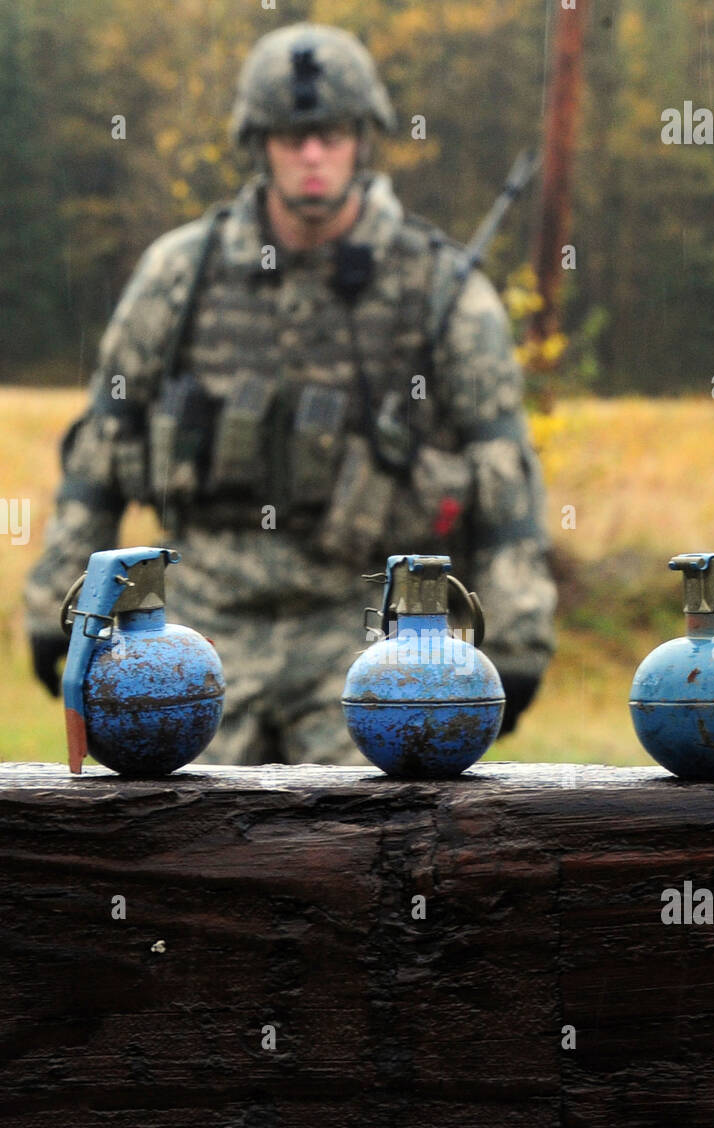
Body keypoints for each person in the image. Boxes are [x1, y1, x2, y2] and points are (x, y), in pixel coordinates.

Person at [25, 22, 558, 766]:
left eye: (331, 134)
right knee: (167, 848)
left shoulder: (440, 291)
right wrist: (61, 600)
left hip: (370, 633)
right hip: (195, 631)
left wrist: (519, 637)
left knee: (371, 849)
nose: (312, 155)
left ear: (362, 139)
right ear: (259, 143)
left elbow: (503, 481)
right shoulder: (180, 277)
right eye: (290, 135)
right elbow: (102, 451)